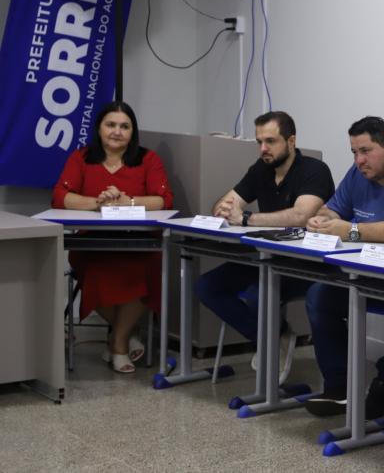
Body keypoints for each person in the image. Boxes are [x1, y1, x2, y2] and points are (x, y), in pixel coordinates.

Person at [301, 116, 384, 417]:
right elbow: (332, 210)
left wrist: (350, 231)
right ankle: (339, 388)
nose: (359, 160)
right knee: (319, 297)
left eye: (365, 151)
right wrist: (321, 220)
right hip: (368, 272)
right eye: (354, 152)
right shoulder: (359, 173)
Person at [194, 111, 333, 377]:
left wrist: (247, 218)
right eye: (260, 142)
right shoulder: (261, 169)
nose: (263, 149)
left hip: (305, 265)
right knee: (206, 286)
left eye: (270, 141)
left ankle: (270, 341)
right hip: (265, 259)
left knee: (260, 294)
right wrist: (225, 209)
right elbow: (223, 206)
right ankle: (274, 337)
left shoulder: (314, 170)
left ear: (291, 141)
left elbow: (301, 216)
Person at [52, 101, 174, 374]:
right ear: (99, 128)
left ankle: (117, 342)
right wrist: (98, 203)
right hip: (91, 245)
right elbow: (60, 196)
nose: (117, 131)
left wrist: (126, 201)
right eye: (111, 125)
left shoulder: (148, 159)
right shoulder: (81, 158)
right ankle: (126, 335)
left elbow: (163, 199)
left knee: (146, 269)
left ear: (133, 132)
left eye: (124, 126)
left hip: (140, 243)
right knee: (97, 272)